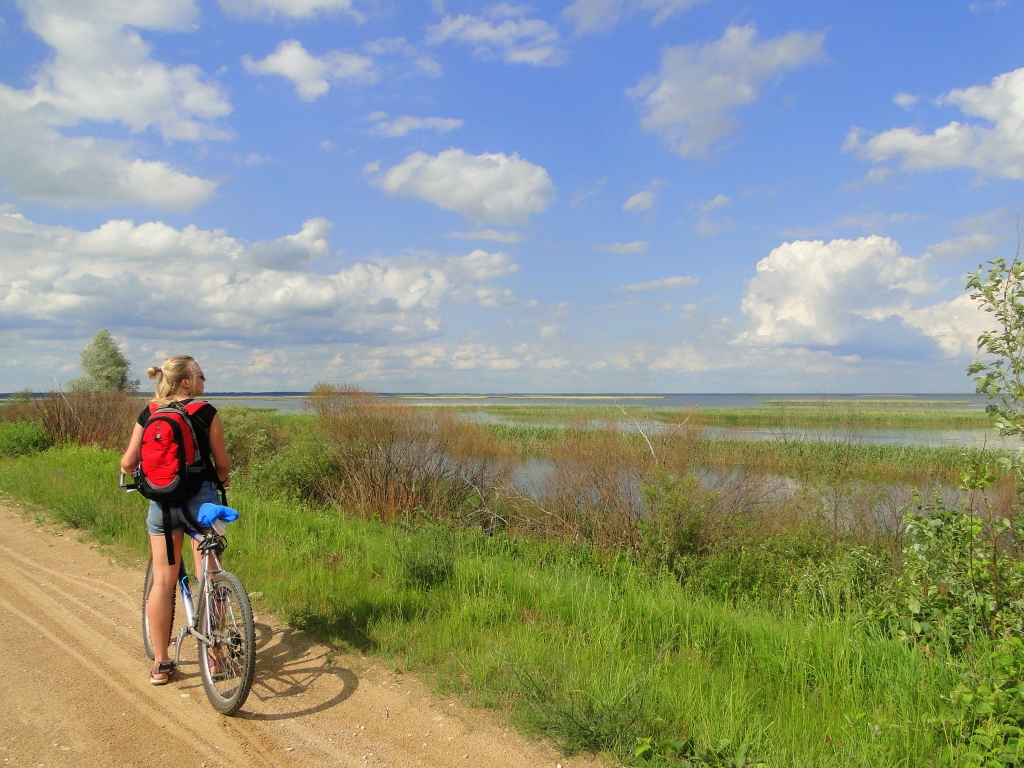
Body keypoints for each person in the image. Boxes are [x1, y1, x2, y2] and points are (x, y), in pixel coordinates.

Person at [120, 356, 232, 685]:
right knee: (210, 578)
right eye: (200, 375)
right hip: (202, 505)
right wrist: (221, 481)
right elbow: (222, 463)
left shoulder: (150, 413)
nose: (204, 380)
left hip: (163, 506)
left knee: (163, 582)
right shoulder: (206, 412)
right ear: (185, 382)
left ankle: (161, 663)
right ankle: (215, 657)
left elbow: (128, 462)